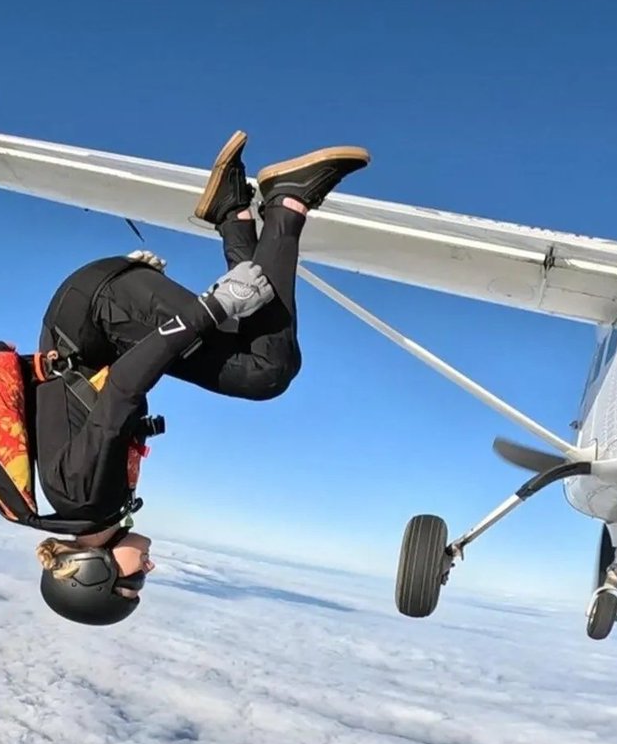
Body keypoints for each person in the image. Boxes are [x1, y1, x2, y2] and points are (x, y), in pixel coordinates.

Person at [30, 130, 370, 625]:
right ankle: (234, 211)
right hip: (98, 313)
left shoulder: (83, 495)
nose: (148, 569)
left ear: (92, 570)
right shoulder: (83, 504)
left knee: (268, 370)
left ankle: (287, 202)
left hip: (102, 309)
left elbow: (124, 385)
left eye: (134, 581)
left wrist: (211, 306)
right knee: (258, 359)